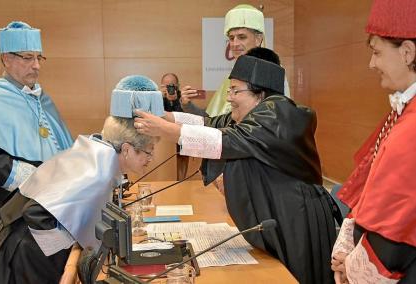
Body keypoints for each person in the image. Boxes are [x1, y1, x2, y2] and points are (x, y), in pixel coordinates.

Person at [134, 47, 339, 284]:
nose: (229, 97)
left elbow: (225, 141)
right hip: (280, 211)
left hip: (296, 216)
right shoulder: (252, 113)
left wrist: (164, 130)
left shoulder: (278, 112)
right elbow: (208, 124)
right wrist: (162, 116)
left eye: (235, 90)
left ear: (260, 95)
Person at [0, 75, 163, 283]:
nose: (151, 159)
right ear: (126, 149)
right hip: (24, 246)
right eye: (148, 151)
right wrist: (70, 258)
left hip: (27, 233)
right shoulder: (94, 171)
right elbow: (35, 214)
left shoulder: (100, 153)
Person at [331, 1, 416, 283]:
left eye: (377, 52)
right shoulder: (404, 111)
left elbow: (394, 233)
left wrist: (351, 266)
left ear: (407, 52)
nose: (372, 64)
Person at [0, 21, 73, 235]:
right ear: (7, 59)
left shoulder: (42, 98)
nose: (36, 65)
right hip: (13, 209)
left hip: (50, 204)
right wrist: (34, 177)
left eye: (39, 58)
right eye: (28, 58)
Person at [181, 4, 290, 118]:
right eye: (231, 38)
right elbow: (215, 120)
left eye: (242, 37)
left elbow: (277, 121)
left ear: (258, 39)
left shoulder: (272, 72)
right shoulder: (233, 75)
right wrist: (187, 105)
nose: (234, 44)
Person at [160, 72, 190, 180]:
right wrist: (161, 97)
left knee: (183, 157)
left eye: (172, 85)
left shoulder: (183, 98)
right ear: (161, 86)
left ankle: (182, 180)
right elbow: (158, 115)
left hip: (181, 134)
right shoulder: (158, 98)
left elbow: (184, 116)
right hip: (165, 138)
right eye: (166, 86)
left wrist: (177, 100)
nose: (169, 88)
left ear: (177, 86)